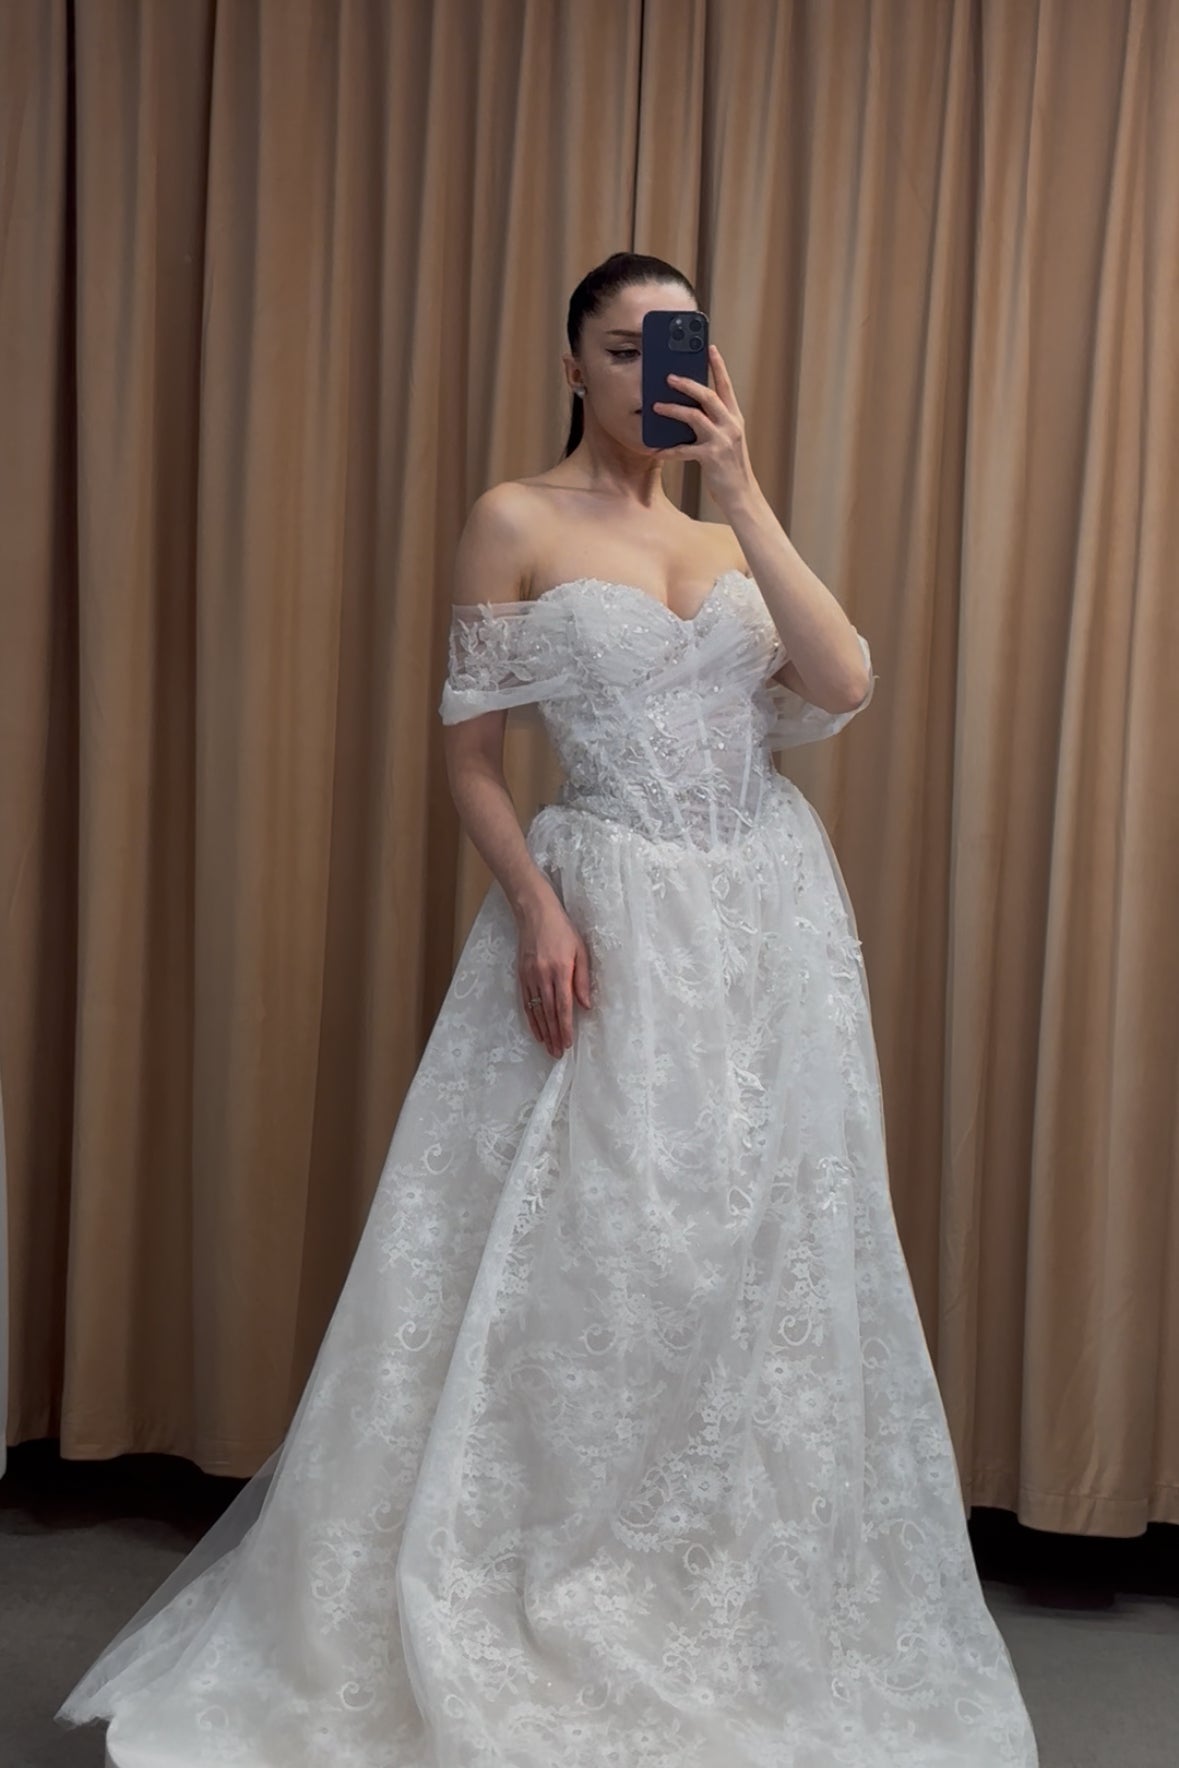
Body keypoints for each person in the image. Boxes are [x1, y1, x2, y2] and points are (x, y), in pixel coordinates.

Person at [55, 251, 1039, 1766]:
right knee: (595, 1248)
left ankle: (716, 1578)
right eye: (625, 345)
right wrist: (538, 907)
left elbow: (841, 680)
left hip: (769, 931)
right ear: (572, 363)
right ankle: (539, 1564)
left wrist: (745, 490)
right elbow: (470, 759)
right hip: (609, 914)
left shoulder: (723, 539)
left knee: (756, 1250)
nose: (655, 369)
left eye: (678, 341)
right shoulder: (515, 519)